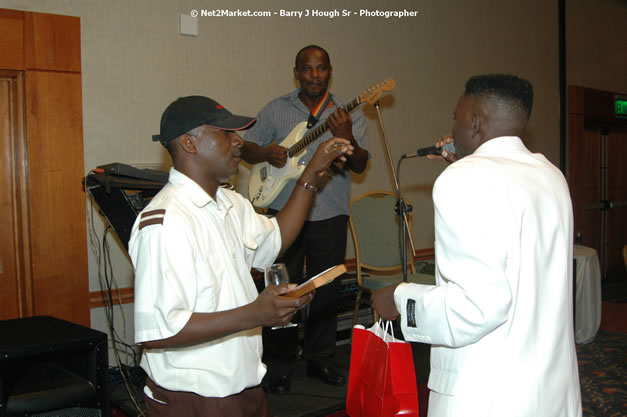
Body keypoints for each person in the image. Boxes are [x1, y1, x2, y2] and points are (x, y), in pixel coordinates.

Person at [129, 95, 353, 417]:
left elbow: (276, 239)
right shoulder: (166, 222)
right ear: (190, 143)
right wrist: (255, 314)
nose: (239, 142)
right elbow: (162, 332)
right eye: (225, 133)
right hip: (197, 398)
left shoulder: (230, 203)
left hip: (245, 385)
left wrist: (310, 175)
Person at [372, 74, 582, 417]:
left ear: (474, 122)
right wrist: (467, 165)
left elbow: (475, 308)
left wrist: (398, 297)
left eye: (455, 118)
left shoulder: (465, 180)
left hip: (487, 394)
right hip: (549, 390)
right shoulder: (550, 174)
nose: (452, 128)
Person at [241, 45, 369, 393]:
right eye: (307, 69)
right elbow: (246, 147)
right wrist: (267, 152)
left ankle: (321, 361)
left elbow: (359, 164)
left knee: (326, 290)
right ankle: (279, 366)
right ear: (296, 72)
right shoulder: (275, 109)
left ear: (330, 71)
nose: (315, 75)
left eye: (322, 68)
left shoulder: (346, 113)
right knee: (282, 291)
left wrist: (348, 136)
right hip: (283, 216)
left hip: (330, 211)